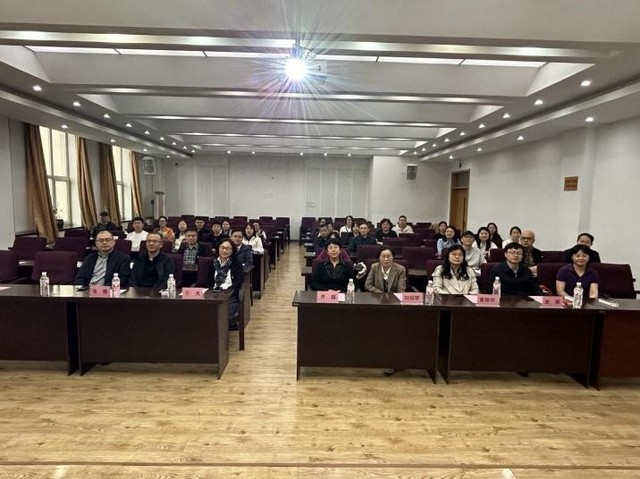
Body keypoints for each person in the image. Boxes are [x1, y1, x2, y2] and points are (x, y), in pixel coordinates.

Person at [207, 238, 244, 330]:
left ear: (232, 250)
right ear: (218, 248)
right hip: (212, 293)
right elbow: (207, 281)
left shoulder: (236, 264)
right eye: (222, 247)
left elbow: (238, 283)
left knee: (224, 314)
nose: (224, 251)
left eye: (228, 248)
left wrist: (227, 293)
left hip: (229, 294)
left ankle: (221, 332)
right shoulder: (212, 262)